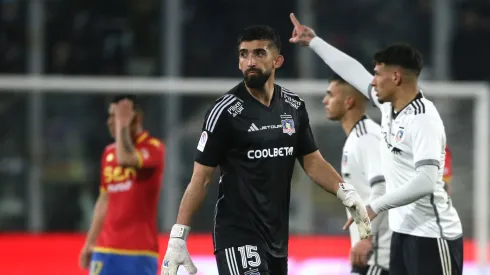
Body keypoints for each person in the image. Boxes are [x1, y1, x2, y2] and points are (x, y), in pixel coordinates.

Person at [160, 25, 371, 275]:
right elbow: (200, 179)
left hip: (276, 239)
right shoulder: (224, 112)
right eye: (244, 54)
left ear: (277, 60)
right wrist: (178, 237)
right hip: (237, 236)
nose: (250, 61)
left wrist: (346, 193)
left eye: (259, 53)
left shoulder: (293, 106)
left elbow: (312, 162)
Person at [289, 13, 463, 275]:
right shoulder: (387, 107)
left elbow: (426, 181)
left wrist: (374, 206)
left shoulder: (424, 118)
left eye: (378, 74)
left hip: (433, 236)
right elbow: (352, 70)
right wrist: (314, 42)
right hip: (402, 234)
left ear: (395, 77)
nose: (371, 81)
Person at [79, 95, 165, 275]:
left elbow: (125, 158)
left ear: (137, 118)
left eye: (116, 116)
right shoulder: (108, 153)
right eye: (111, 117)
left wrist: (123, 127)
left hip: (139, 252)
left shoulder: (154, 148)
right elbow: (104, 199)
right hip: (104, 250)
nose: (111, 122)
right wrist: (90, 242)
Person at [324, 74, 391, 275]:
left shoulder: (366, 137)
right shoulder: (357, 137)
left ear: (349, 101)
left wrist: (365, 238)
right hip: (372, 255)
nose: (324, 101)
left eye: (330, 95)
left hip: (378, 255)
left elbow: (383, 188)